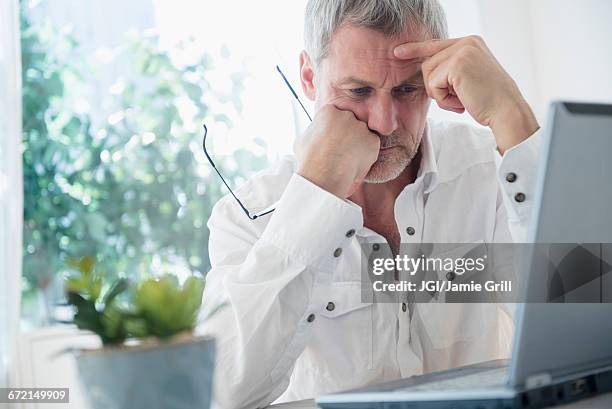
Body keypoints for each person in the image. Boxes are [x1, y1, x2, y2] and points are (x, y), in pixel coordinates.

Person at [197, 0, 540, 407]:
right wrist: (317, 191)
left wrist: (512, 115)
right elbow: (220, 394)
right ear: (309, 77)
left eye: (407, 89)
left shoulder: (490, 172)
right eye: (358, 91)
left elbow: (583, 328)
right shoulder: (246, 218)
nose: (385, 122)